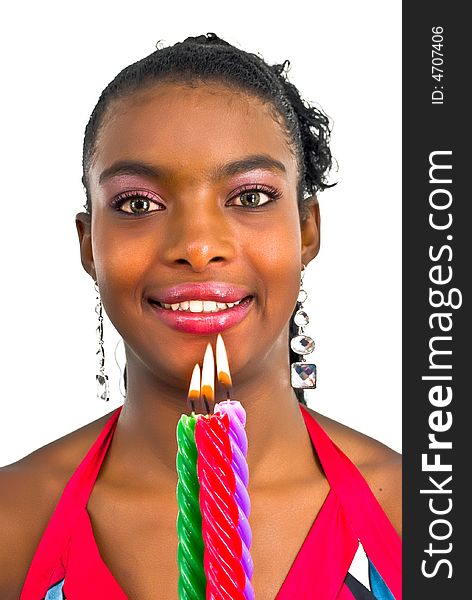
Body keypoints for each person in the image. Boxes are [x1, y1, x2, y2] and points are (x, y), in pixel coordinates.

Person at [0, 33, 401, 599]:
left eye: (250, 197)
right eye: (138, 203)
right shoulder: (13, 523)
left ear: (307, 230)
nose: (197, 245)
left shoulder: (422, 518)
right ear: (89, 245)